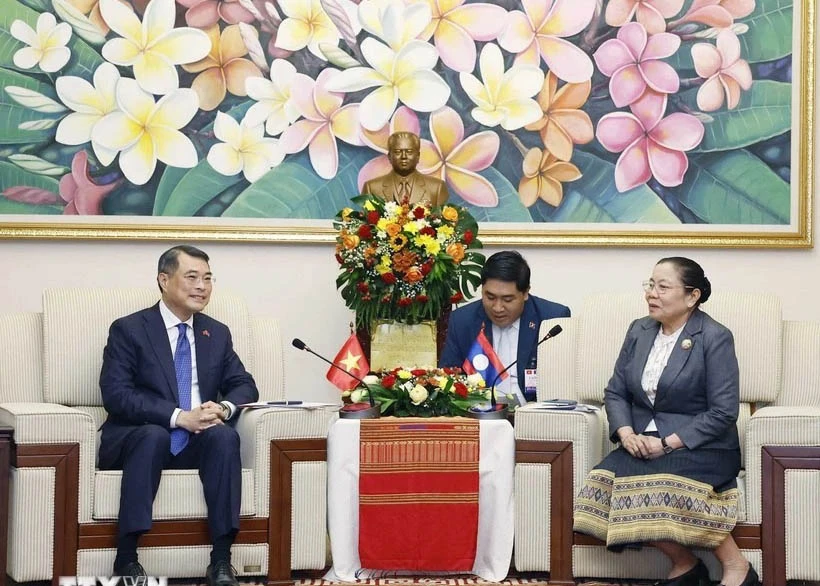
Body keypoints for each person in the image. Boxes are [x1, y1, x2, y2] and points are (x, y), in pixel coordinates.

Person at [573, 257, 758, 586]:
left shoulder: (714, 337)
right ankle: (684, 563)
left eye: (663, 287)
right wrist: (627, 433)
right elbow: (615, 392)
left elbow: (724, 411)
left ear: (692, 296)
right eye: (650, 284)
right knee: (600, 483)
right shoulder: (639, 330)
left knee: (661, 486)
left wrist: (667, 443)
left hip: (704, 447)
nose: (651, 294)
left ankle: (737, 567)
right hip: (642, 443)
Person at [99, 245, 258, 586]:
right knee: (153, 435)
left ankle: (221, 561)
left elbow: (244, 384)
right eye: (192, 277)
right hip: (143, 435)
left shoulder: (215, 332)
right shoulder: (129, 329)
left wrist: (223, 408)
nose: (202, 286)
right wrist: (177, 417)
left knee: (224, 435)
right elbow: (116, 395)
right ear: (164, 280)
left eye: (208, 279)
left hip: (197, 439)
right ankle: (126, 558)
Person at [439, 250, 570, 404]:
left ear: (526, 292)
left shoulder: (551, 318)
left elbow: (564, 381)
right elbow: (448, 377)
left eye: (507, 299)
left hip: (534, 413)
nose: (497, 308)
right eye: (490, 297)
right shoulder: (463, 320)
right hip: (481, 413)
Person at [362, 131, 449, 207]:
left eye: (409, 152)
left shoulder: (436, 188)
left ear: (418, 156)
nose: (404, 156)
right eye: (398, 152)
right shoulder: (371, 189)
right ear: (389, 156)